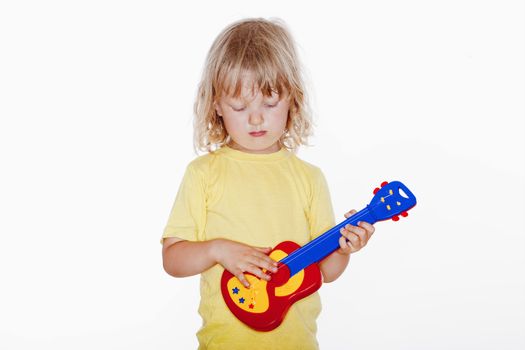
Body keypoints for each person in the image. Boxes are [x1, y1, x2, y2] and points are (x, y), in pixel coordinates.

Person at [161, 17, 375, 350]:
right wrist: (217, 249)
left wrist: (346, 246)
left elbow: (325, 272)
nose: (256, 118)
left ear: (293, 98)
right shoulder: (203, 173)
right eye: (240, 105)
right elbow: (173, 260)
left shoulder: (309, 179)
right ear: (216, 105)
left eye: (270, 103)